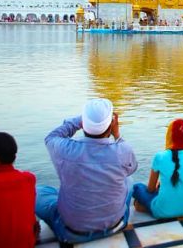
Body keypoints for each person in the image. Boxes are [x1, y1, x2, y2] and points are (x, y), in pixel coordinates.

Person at [35, 98, 138, 244]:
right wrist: (117, 134)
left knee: (37, 192)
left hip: (70, 233)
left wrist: (80, 120)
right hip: (116, 226)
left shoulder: (65, 149)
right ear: (111, 126)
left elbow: (51, 137)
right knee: (128, 180)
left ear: (83, 124)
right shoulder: (123, 150)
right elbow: (132, 167)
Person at [133, 119, 183, 218]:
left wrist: (160, 187)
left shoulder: (159, 156)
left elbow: (151, 189)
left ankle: (144, 207)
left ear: (169, 135)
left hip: (161, 211)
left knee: (137, 187)